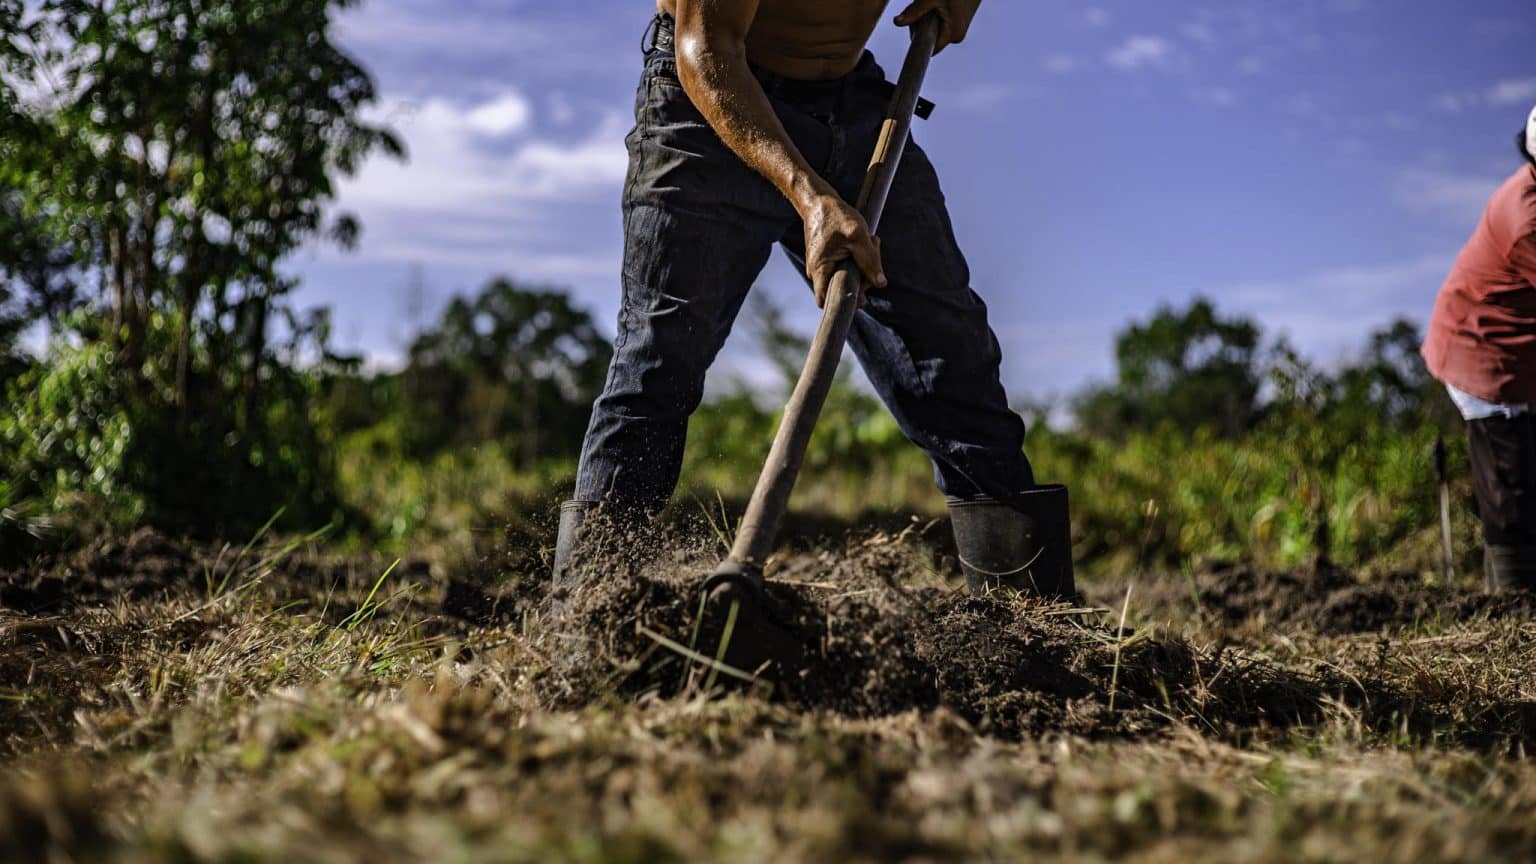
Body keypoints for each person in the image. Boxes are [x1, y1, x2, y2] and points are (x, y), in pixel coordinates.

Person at [553, 0, 1074, 609]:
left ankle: (1037, 631)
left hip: (853, 111)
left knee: (953, 364)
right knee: (658, 359)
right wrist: (810, 197)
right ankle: (590, 624)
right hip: (710, 104)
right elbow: (707, 49)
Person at [1421, 104, 1536, 593]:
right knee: (1512, 486)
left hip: (1517, 353)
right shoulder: (1527, 217)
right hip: (1482, 354)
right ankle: (1514, 614)